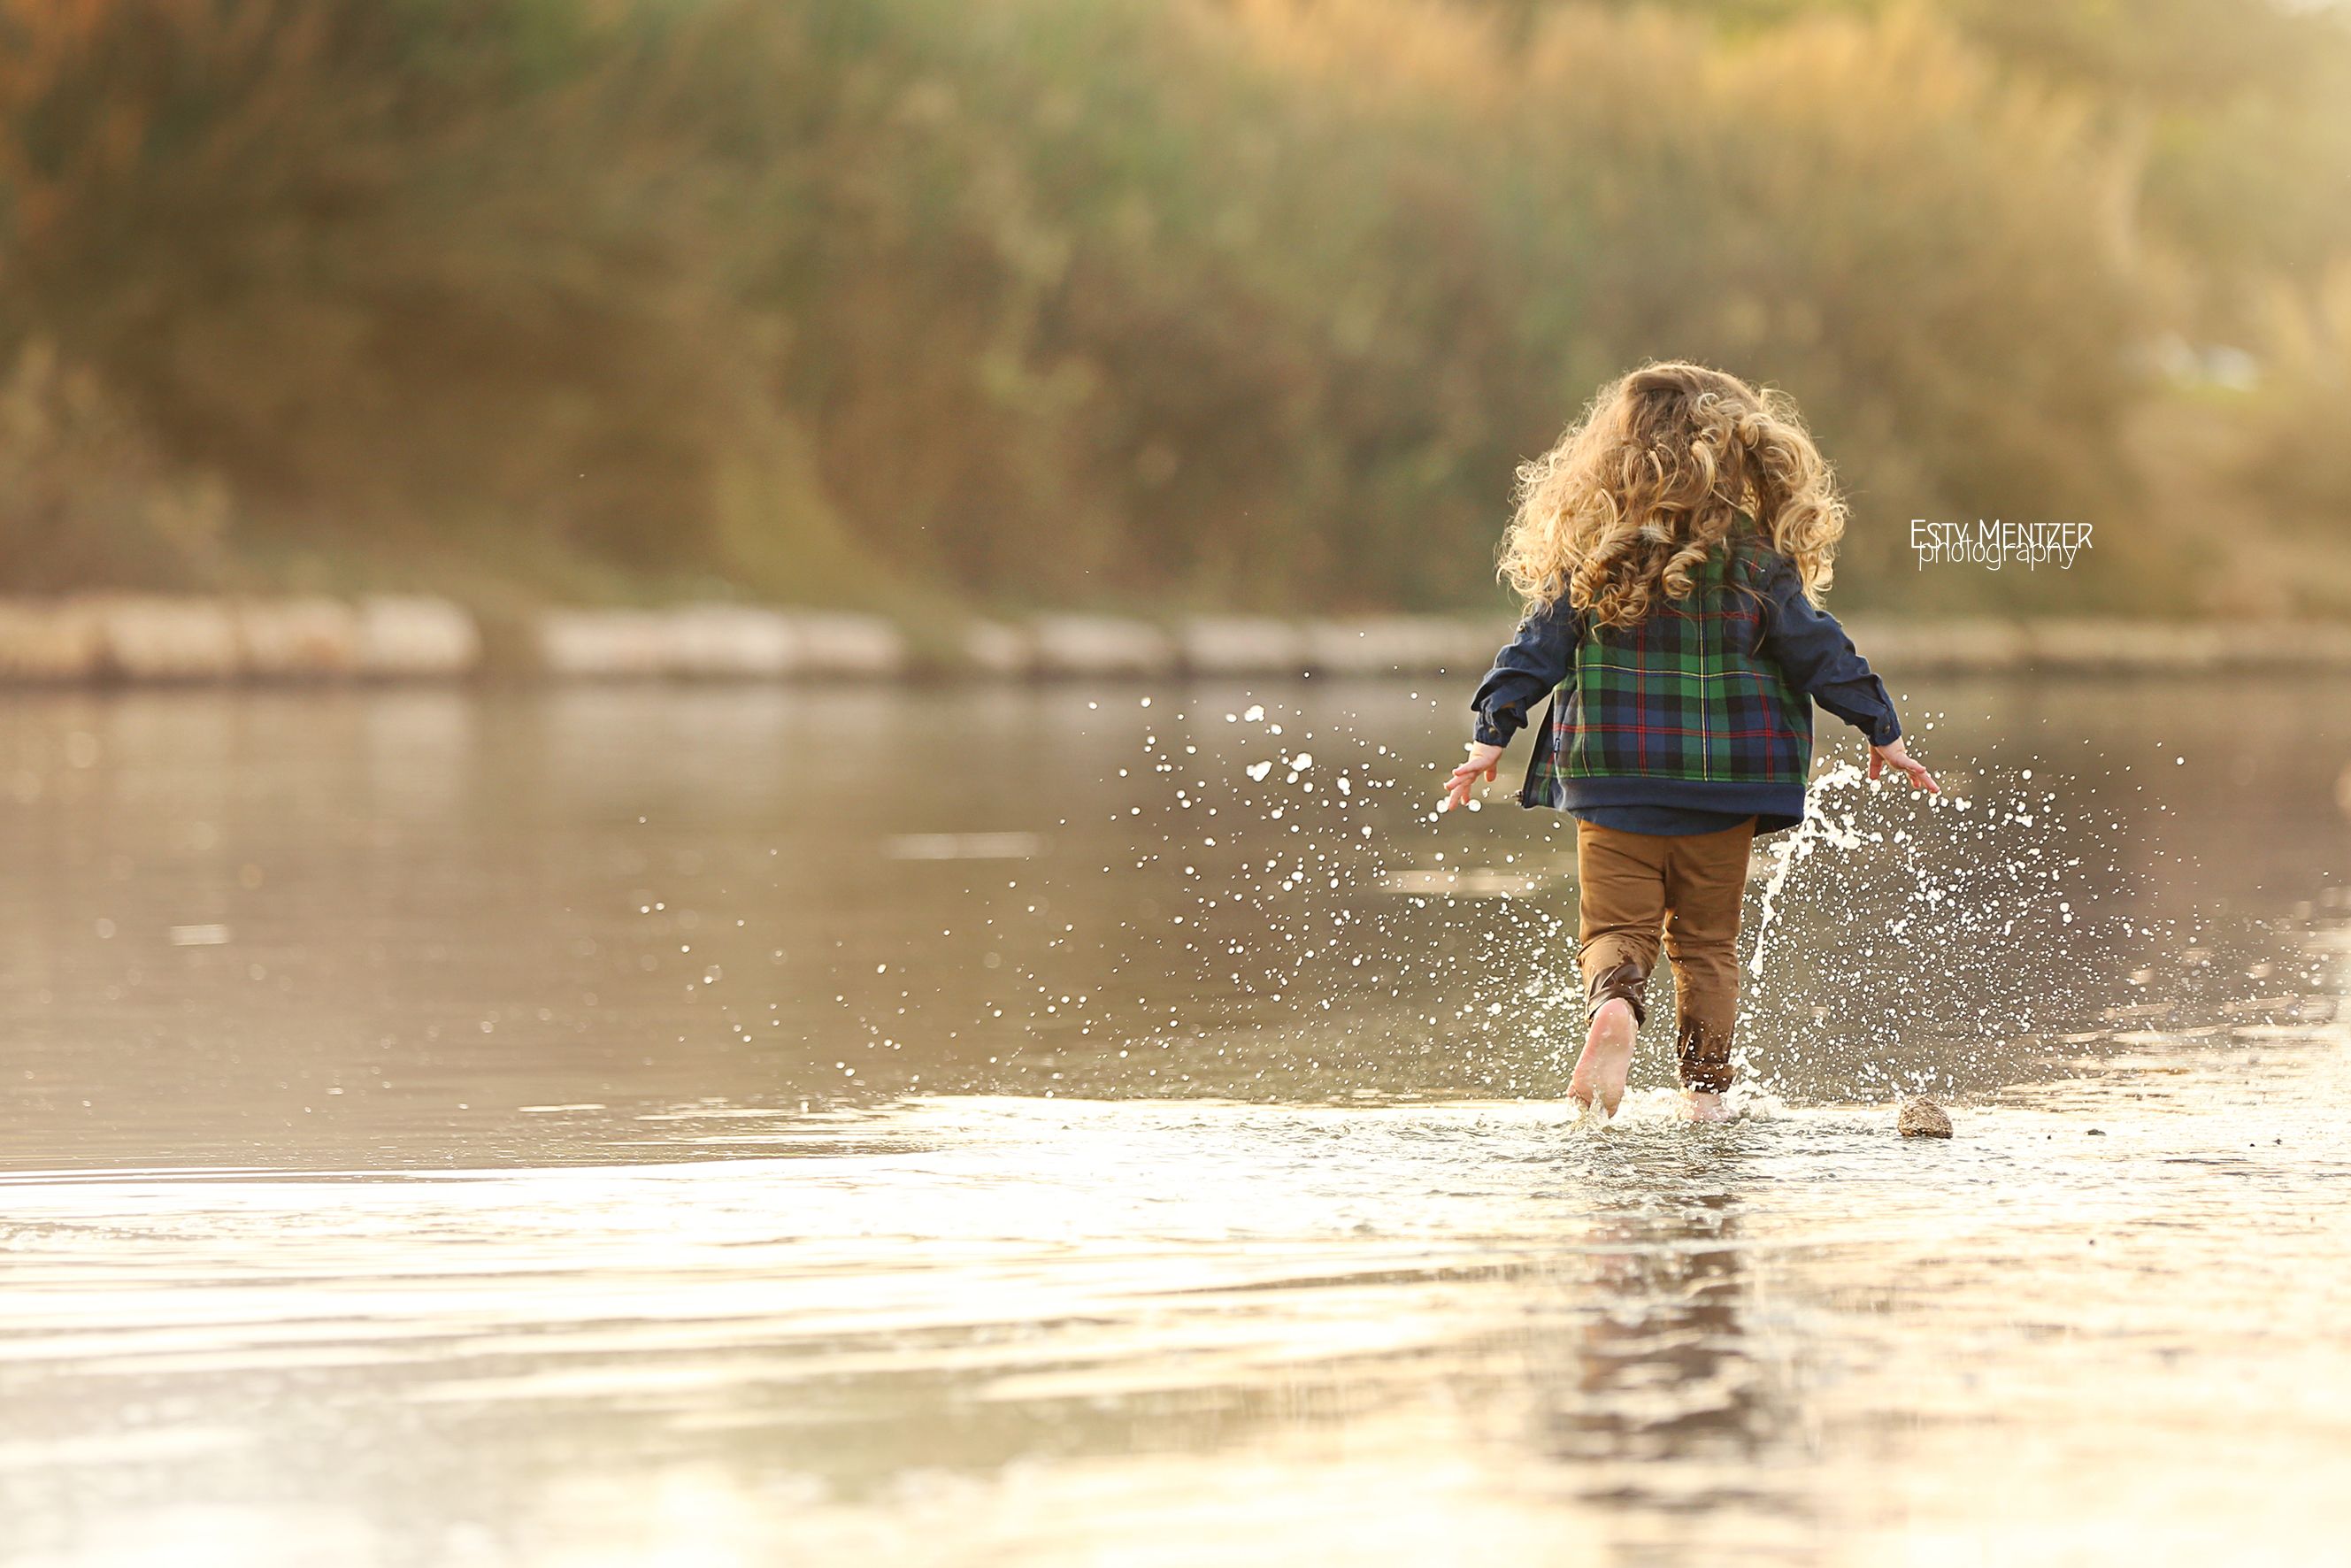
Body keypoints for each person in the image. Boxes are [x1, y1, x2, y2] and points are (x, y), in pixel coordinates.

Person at [1441, 361, 1939, 1122]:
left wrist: (1489, 736)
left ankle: (1616, 1006)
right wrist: (1882, 728)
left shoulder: (1593, 559)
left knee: (1617, 930)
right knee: (1706, 945)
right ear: (1742, 456)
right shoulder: (1758, 565)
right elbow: (1822, 652)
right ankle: (1704, 1094)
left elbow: (1532, 652)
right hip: (1728, 788)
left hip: (1613, 782)